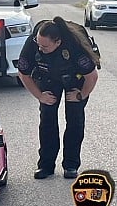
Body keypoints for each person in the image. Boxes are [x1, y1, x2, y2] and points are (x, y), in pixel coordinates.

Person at [17, 16, 99, 179]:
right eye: (38, 44)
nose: (40, 49)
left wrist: (80, 95)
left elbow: (92, 76)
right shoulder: (34, 43)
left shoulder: (74, 46)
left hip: (75, 79)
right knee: (47, 118)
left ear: (58, 42)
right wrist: (40, 96)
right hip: (47, 78)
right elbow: (23, 74)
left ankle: (71, 164)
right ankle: (46, 165)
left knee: (75, 119)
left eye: (45, 46)